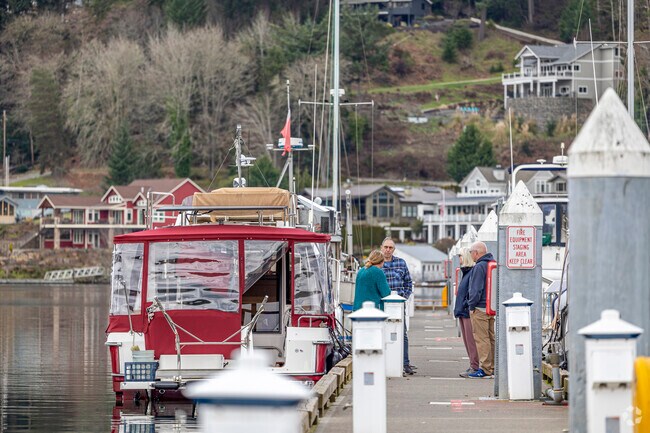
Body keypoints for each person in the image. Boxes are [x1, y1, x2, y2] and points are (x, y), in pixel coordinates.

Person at [380, 237, 415, 375]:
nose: (388, 250)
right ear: (381, 247)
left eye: (391, 248)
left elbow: (408, 282)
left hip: (398, 305)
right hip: (382, 304)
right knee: (382, 332)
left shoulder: (401, 263)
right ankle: (384, 362)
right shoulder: (377, 263)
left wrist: (404, 297)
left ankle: (405, 363)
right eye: (386, 247)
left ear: (394, 249)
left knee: (402, 333)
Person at [467, 241, 496, 379]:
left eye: (471, 252)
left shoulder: (479, 267)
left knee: (481, 339)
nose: (471, 255)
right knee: (491, 338)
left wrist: (471, 305)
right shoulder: (492, 264)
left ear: (476, 253)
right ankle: (493, 366)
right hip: (490, 307)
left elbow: (476, 289)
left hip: (480, 308)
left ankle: (484, 369)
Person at [453, 247, 480, 378]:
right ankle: (473, 365)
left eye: (461, 256)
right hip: (463, 311)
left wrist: (468, 305)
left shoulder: (471, 272)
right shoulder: (466, 273)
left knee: (471, 340)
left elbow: (472, 292)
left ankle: (475, 366)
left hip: (466, 311)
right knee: (467, 340)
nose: (459, 259)